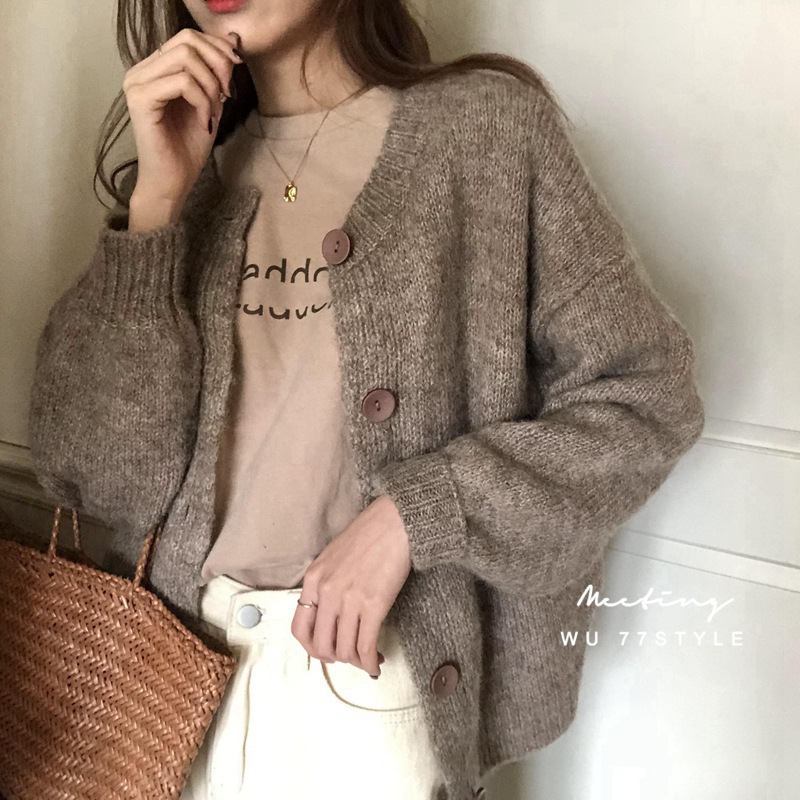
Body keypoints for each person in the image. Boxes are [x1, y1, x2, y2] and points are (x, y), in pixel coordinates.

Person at [26, 1, 706, 798]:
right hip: (161, 694)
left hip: (366, 689)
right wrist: (156, 208)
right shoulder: (188, 175)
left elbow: (645, 395)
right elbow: (97, 480)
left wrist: (420, 513)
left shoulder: (484, 133)